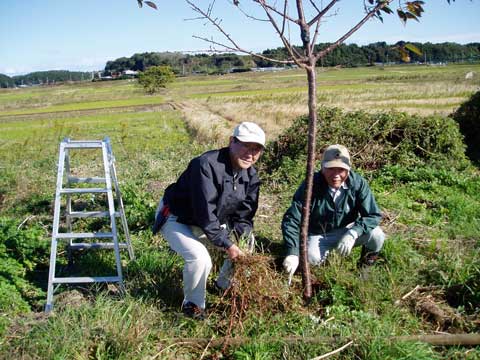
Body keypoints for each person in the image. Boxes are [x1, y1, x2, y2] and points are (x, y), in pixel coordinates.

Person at [152, 122, 265, 319]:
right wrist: (227, 245)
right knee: (200, 258)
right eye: (246, 146)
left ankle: (222, 285)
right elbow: (205, 212)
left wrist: (241, 241)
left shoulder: (251, 175)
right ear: (231, 141)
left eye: (256, 149)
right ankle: (193, 306)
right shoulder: (205, 165)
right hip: (178, 217)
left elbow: (244, 216)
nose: (250, 153)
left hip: (209, 220)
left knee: (247, 243)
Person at [281, 144, 385, 278]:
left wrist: (353, 233)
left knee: (377, 235)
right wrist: (292, 252)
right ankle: (328, 266)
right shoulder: (311, 185)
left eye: (341, 170)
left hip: (346, 230)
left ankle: (365, 271)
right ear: (323, 168)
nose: (336, 175)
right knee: (311, 259)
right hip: (318, 234)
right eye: (331, 169)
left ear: (348, 170)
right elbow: (292, 219)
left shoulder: (357, 183)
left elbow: (373, 215)